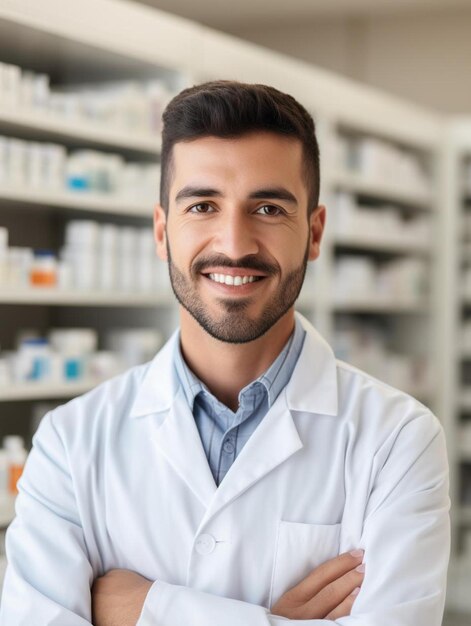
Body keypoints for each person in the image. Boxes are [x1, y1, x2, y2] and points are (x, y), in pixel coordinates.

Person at [0, 81, 449, 626]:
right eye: (203, 205)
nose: (234, 244)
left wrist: (146, 608)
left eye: (267, 207)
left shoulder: (398, 440)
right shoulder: (70, 443)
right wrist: (273, 618)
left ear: (314, 231)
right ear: (163, 231)